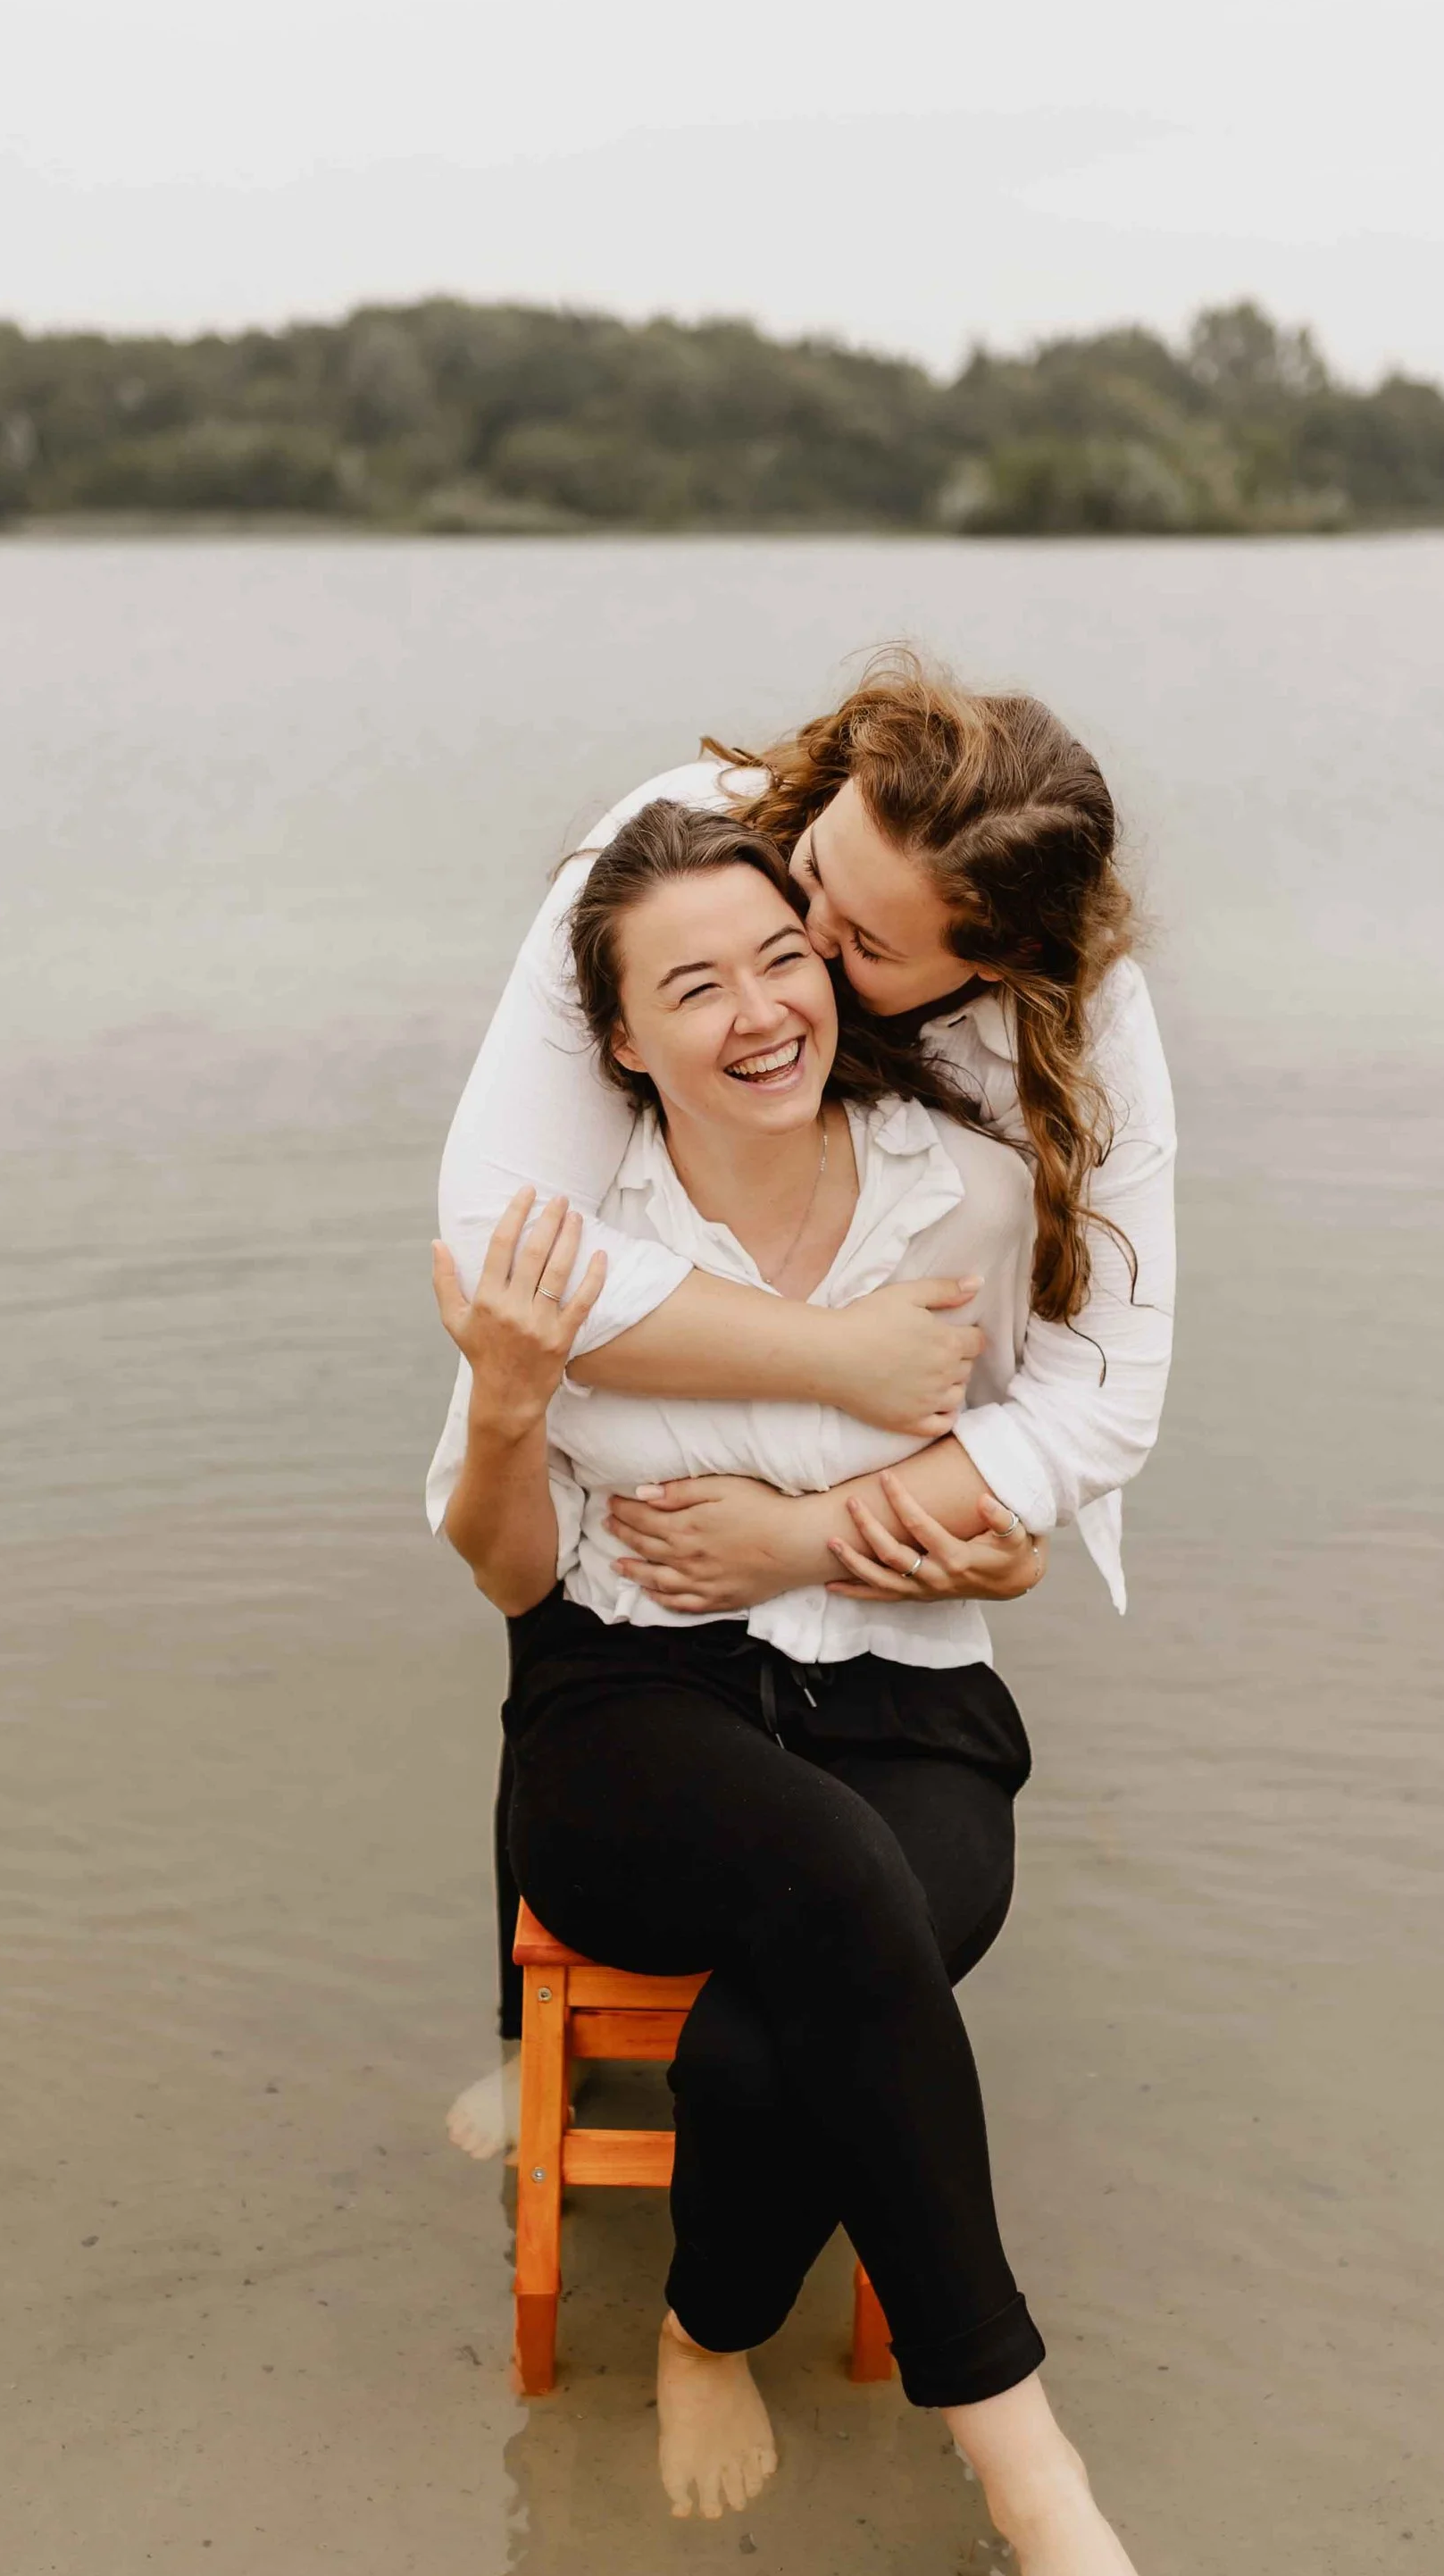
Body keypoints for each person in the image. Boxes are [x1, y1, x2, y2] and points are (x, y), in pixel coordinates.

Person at [428, 795, 1225, 2576]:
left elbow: (1033, 1495)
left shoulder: (957, 1191)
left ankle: (706, 2321)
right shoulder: (569, 1229)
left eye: (781, 958)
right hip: (634, 1702)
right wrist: (514, 1400)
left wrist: (883, 1538)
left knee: (810, 1993)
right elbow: (506, 1568)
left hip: (906, 1696)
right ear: (619, 1040)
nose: (758, 1008)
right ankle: (1041, 2496)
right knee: (831, 1889)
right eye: (688, 988)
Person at [439, 647, 1177, 2158]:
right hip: (666, 1350)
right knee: (582, 1587)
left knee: (843, 1790)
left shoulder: (1079, 1019)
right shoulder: (689, 853)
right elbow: (495, 1239)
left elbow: (1099, 1400)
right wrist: (829, 1352)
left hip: (874, 1427)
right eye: (822, 878)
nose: (812, 951)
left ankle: (766, 2071)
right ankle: (542, 2048)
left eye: (866, 950)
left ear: (987, 964)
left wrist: (818, 1532)